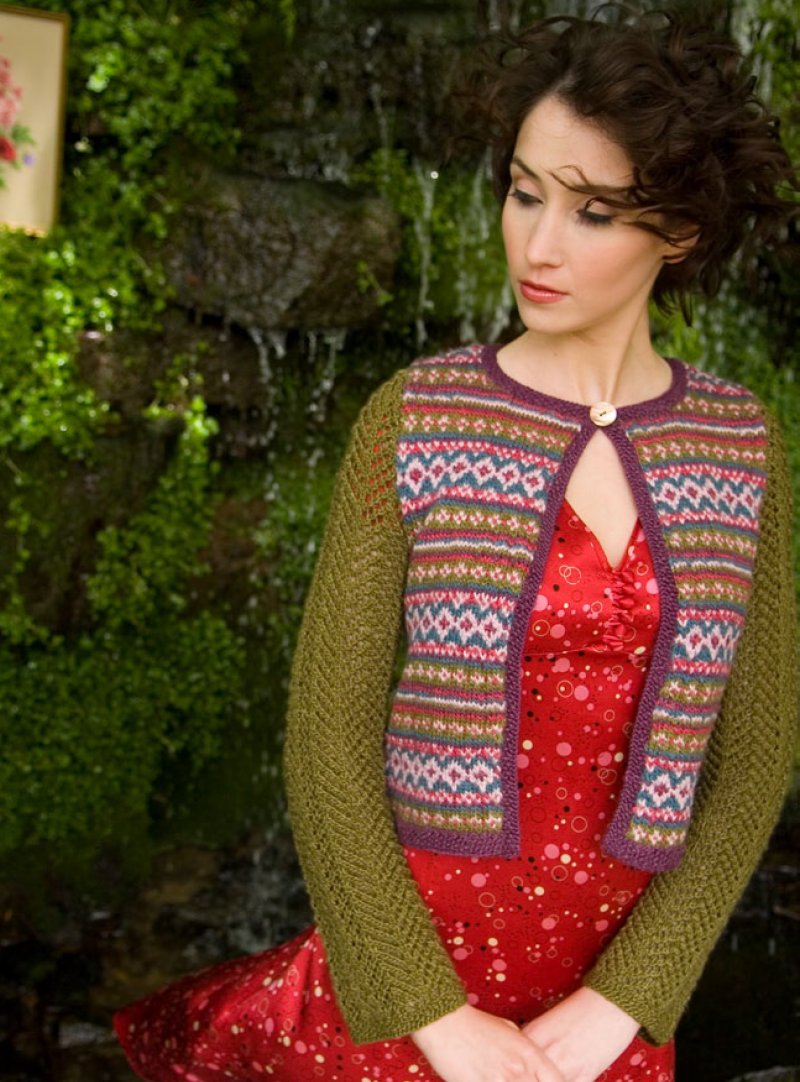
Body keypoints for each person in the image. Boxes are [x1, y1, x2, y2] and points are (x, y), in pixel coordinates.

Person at [113, 9, 798, 1082]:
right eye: (523, 192)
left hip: (610, 1014)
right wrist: (432, 1014)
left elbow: (753, 758)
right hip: (403, 982)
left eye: (592, 211)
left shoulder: (739, 443)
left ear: (679, 230)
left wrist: (628, 998)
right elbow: (326, 736)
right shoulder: (416, 415)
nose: (536, 243)